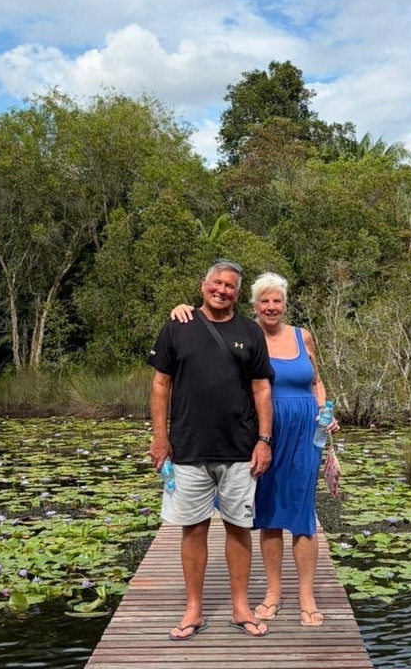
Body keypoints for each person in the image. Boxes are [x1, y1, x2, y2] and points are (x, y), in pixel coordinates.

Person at [170, 271, 338, 627]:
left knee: (304, 515)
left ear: (285, 304)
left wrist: (325, 412)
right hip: (264, 432)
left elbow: (317, 381)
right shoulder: (245, 334)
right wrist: (183, 308)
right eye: (265, 301)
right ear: (255, 305)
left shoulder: (303, 337)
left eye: (277, 301)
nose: (272, 307)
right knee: (269, 514)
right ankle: (273, 592)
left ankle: (306, 595)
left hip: (306, 431)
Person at [148, 260, 275, 640]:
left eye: (230, 286)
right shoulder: (177, 326)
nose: (222, 290)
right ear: (203, 285)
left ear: (238, 293)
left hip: (239, 449)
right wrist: (159, 438)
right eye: (216, 283)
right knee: (194, 529)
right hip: (188, 448)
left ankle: (240, 607)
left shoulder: (249, 332)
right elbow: (159, 385)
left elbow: (261, 390)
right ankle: (193, 610)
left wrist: (264, 441)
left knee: (239, 528)